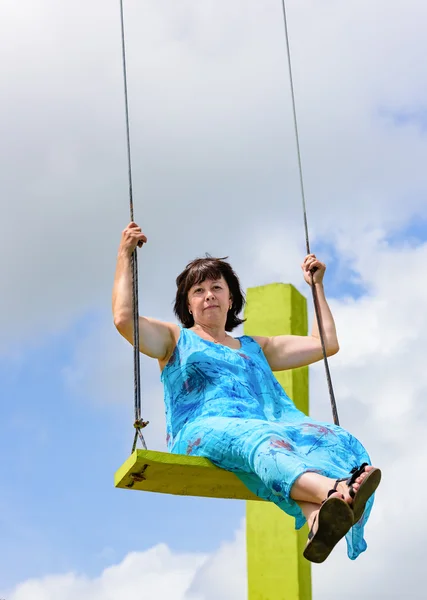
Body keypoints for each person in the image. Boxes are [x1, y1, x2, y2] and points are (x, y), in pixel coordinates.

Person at [112, 222, 381, 563]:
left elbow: (326, 344)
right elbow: (124, 320)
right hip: (202, 432)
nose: (208, 294)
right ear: (188, 306)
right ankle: (337, 490)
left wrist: (317, 288)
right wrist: (125, 254)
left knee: (333, 438)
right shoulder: (174, 339)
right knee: (264, 440)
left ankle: (318, 518)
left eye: (216, 287)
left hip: (262, 428)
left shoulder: (255, 348)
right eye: (198, 291)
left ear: (231, 297)